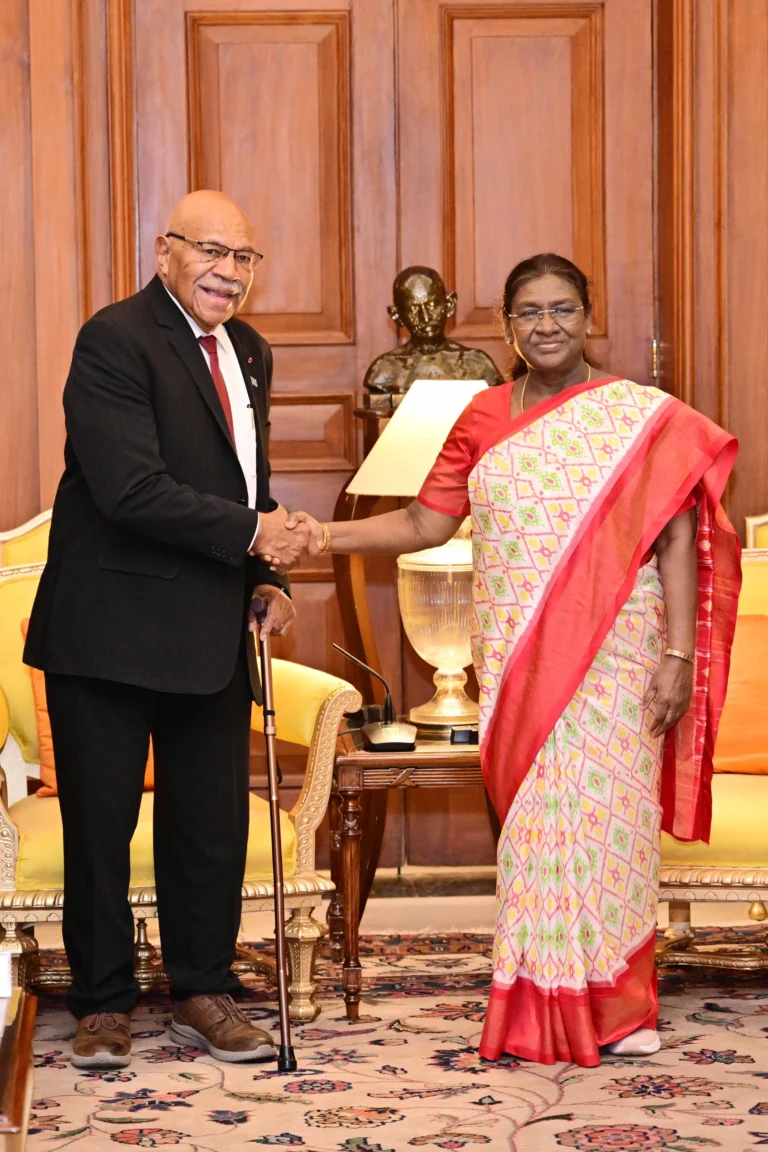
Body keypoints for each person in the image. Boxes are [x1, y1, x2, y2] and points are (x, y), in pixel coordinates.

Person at [280, 253, 742, 1067]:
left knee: (613, 827)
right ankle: (538, 1001)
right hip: (519, 660)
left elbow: (676, 538)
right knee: (535, 831)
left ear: (589, 316)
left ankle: (621, 1006)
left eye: (563, 309)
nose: (547, 325)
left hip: (618, 655)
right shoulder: (483, 415)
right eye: (530, 312)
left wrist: (677, 653)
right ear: (506, 325)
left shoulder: (642, 417)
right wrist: (322, 534)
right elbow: (425, 524)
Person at [23, 190, 310, 1069]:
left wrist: (265, 578)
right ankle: (103, 1001)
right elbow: (129, 489)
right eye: (211, 251)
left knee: (210, 828)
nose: (229, 272)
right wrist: (255, 535)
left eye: (245, 257)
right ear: (165, 252)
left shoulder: (250, 350)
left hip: (210, 628)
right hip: (107, 630)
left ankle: (202, 991)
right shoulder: (114, 340)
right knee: (100, 829)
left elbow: (245, 482)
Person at [363, 266, 502, 405]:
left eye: (433, 304)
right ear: (397, 315)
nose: (425, 317)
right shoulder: (383, 371)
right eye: (413, 309)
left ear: (449, 304)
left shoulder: (477, 364)